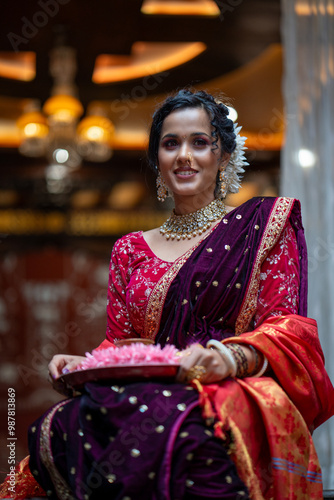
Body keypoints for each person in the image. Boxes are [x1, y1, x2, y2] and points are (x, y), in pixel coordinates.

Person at [1, 89, 333, 499]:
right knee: (58, 427)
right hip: (142, 390)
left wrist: (225, 357)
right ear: (158, 160)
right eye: (170, 143)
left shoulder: (261, 228)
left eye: (200, 142)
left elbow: (289, 328)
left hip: (226, 388)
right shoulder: (130, 249)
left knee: (184, 432)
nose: (184, 156)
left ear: (224, 156)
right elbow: (123, 344)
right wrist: (84, 364)